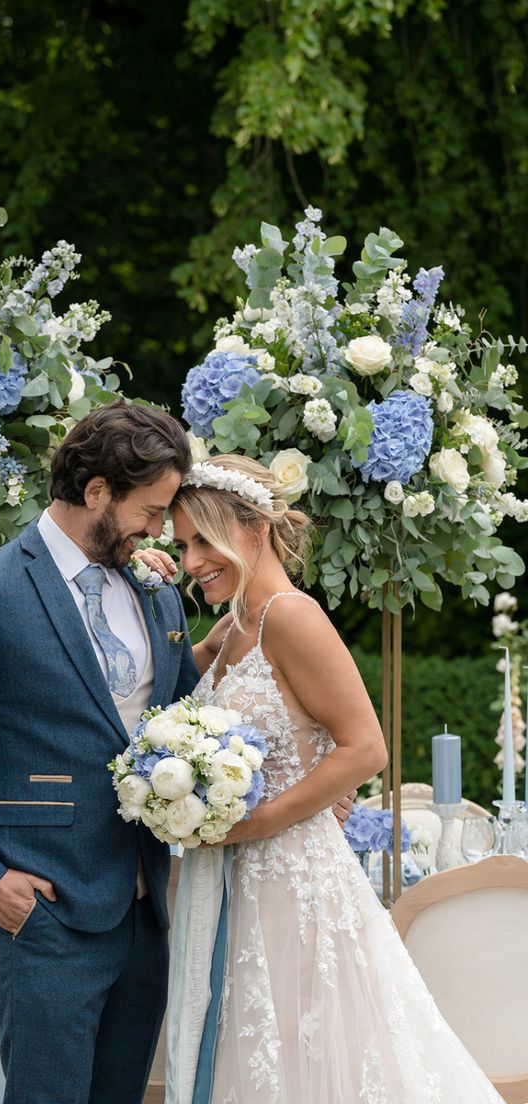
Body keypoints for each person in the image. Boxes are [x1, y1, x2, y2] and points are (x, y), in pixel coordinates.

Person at [140, 454, 505, 1104]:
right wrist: (141, 584)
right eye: (183, 545)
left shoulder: (290, 616)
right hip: (229, 879)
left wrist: (252, 822)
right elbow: (156, 693)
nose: (192, 562)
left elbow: (365, 748)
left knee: (307, 1051)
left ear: (252, 527)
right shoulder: (233, 627)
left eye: (202, 541)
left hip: (289, 879)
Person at [0, 400, 200, 1104]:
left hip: (145, 910)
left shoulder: (155, 591)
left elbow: (191, 719)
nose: (162, 530)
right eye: (151, 510)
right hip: (42, 908)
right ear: (96, 494)